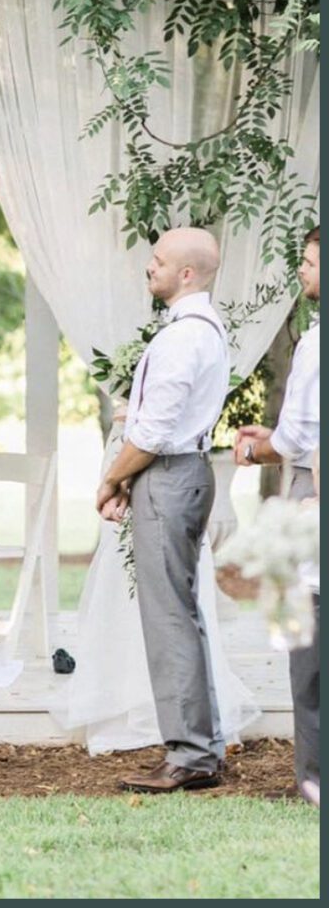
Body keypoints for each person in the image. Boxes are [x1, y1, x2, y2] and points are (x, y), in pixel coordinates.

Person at [95, 228, 232, 793]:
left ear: (188, 274)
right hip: (177, 472)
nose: (148, 267)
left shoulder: (184, 337)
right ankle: (201, 746)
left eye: (158, 260)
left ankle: (190, 754)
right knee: (181, 612)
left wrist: (112, 478)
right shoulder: (197, 328)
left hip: (171, 477)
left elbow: (152, 432)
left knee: (169, 616)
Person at [234, 225, 319, 802]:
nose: (303, 271)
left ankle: (315, 779)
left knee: (307, 648)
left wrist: (257, 448)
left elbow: (296, 440)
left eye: (311, 262)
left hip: (313, 493)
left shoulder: (316, 342)